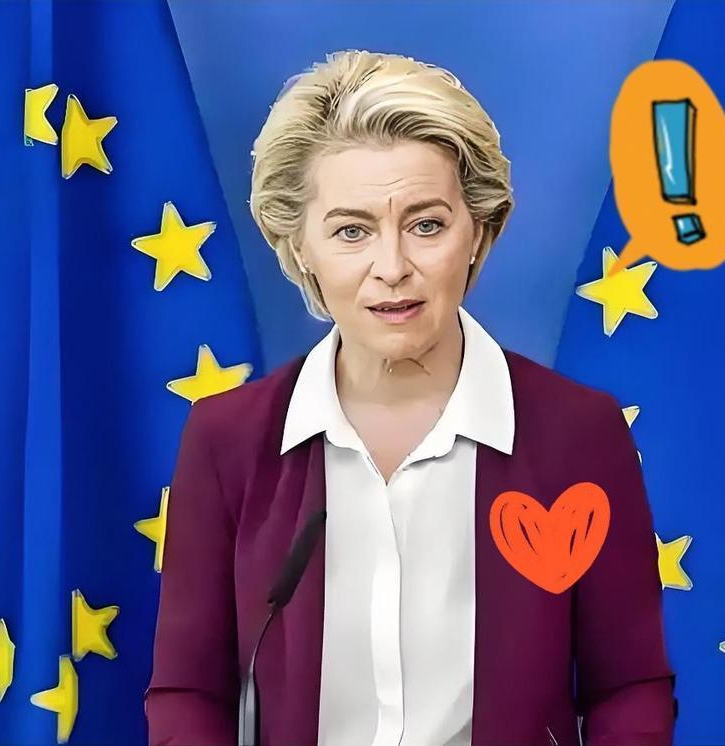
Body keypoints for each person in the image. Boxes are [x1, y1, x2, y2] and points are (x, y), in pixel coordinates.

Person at [146, 49, 676, 746]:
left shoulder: (579, 433)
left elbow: (627, 688)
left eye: (426, 225)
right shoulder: (229, 439)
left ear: (477, 230)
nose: (392, 268)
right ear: (299, 246)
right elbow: (188, 692)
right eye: (351, 231)